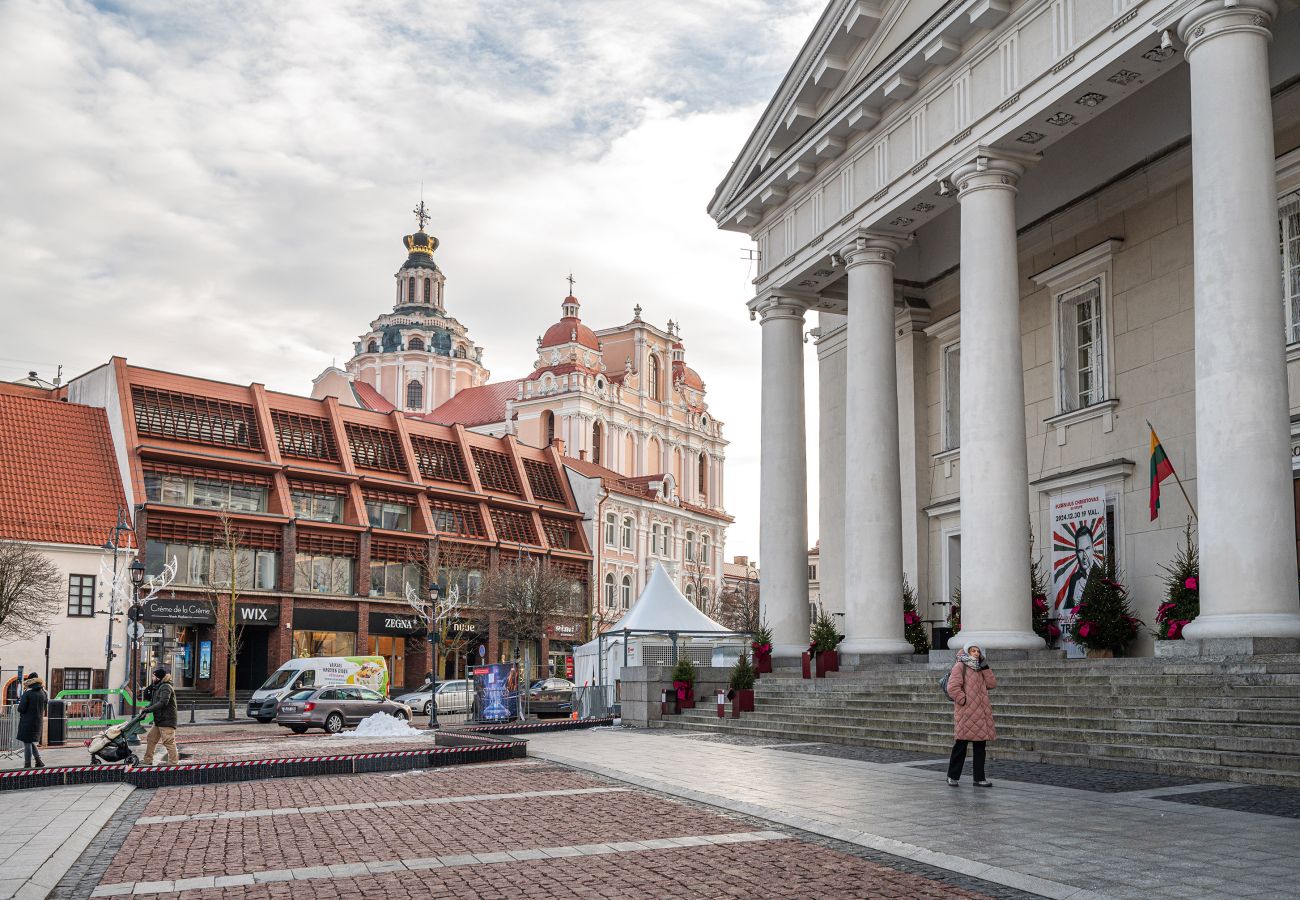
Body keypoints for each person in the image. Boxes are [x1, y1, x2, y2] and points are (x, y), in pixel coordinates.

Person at [946, 641, 997, 787]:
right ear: (968, 652)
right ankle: (952, 776)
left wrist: (986, 667)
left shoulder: (981, 668)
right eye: (973, 651)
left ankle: (979, 778)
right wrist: (964, 700)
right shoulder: (960, 665)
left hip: (980, 713)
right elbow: (952, 687)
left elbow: (992, 684)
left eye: (978, 651)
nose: (976, 653)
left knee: (980, 747)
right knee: (960, 746)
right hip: (966, 713)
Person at [142, 665, 179, 765]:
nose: (152, 678)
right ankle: (147, 760)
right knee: (151, 738)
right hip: (159, 720)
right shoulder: (157, 687)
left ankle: (173, 763)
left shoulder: (166, 687)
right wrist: (146, 709)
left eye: (154, 676)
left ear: (158, 677)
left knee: (168, 741)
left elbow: (163, 702)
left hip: (167, 720)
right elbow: (154, 702)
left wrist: (148, 710)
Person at [16, 671, 47, 769]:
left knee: (27, 743)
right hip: (37, 721)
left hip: (27, 722)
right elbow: (45, 707)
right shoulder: (44, 693)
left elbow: (21, 709)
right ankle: (39, 761)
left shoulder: (28, 693)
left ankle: (27, 764)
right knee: (31, 742)